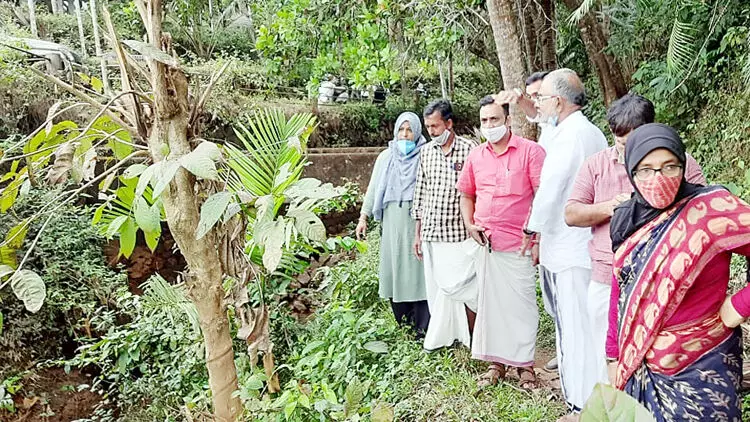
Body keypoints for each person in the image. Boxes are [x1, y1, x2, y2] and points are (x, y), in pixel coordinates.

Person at [606, 123, 750, 421]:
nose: (657, 179)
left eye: (669, 166)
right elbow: (620, 290)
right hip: (641, 366)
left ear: (684, 166)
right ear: (631, 171)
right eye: (645, 169)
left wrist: (738, 306)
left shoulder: (712, 210)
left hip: (706, 362)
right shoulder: (625, 220)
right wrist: (613, 354)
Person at [564, 94, 707, 387]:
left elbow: (703, 212)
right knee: (609, 357)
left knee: (660, 358)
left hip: (667, 280)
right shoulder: (597, 165)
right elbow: (571, 213)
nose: (625, 150)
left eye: (632, 142)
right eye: (619, 142)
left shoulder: (678, 163)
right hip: (608, 277)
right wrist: (612, 208)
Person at [522, 68, 607, 419]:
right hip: (592, 246)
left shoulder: (570, 137)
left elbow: (550, 189)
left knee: (572, 330)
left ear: (557, 100)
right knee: (591, 329)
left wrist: (530, 229)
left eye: (541, 98)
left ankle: (579, 404)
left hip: (569, 247)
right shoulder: (590, 132)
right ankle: (597, 399)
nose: (538, 104)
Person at [457, 96, 546, 388]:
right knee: (491, 307)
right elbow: (466, 193)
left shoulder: (530, 152)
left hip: (519, 244)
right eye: (484, 121)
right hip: (487, 245)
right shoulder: (476, 156)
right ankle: (497, 363)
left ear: (507, 120)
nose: (489, 125)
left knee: (521, 307)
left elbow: (543, 197)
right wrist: (470, 224)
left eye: (494, 119)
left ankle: (525, 366)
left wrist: (538, 239)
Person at [412, 99, 478, 351]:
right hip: (432, 233)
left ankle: (474, 337)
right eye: (428, 127)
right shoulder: (426, 152)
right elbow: (420, 193)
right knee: (438, 290)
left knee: (465, 286)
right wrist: (417, 234)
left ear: (449, 124)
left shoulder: (469, 149)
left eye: (436, 126)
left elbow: (476, 191)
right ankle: (446, 338)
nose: (432, 131)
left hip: (460, 234)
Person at [356, 112, 430, 335]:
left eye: (409, 130)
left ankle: (423, 328)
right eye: (401, 130)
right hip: (392, 225)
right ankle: (404, 324)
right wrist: (363, 217)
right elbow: (373, 188)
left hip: (417, 223)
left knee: (419, 274)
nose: (405, 135)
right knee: (394, 269)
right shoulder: (385, 157)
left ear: (417, 132)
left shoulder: (426, 155)